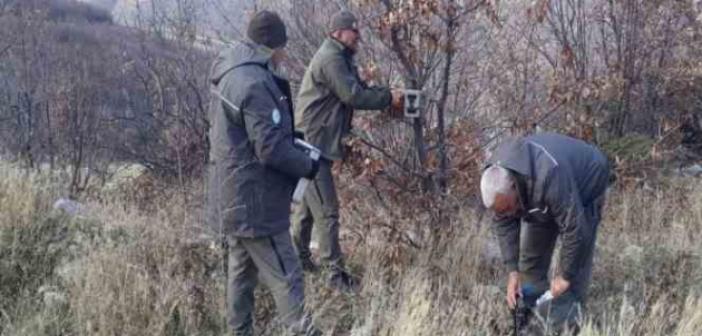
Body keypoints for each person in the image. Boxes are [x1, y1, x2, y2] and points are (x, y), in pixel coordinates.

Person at [206, 10, 320, 336]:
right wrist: (307, 164)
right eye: (283, 46)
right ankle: (303, 331)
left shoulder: (231, 71)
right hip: (256, 203)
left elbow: (246, 135)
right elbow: (269, 148)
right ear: (272, 46)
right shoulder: (254, 82)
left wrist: (288, 138)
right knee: (287, 274)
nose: (285, 53)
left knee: (240, 276)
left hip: (233, 196)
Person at [291, 10, 403, 291]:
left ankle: (298, 262)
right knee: (327, 211)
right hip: (312, 145)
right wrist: (390, 98)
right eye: (354, 32)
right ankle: (335, 276)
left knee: (307, 207)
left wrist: (386, 94)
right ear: (338, 33)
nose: (358, 36)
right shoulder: (331, 58)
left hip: (314, 142)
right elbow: (353, 95)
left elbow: (360, 88)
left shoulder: (340, 57)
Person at [480, 132, 610, 333]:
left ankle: (568, 322)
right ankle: (531, 316)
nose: (507, 214)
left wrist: (564, 276)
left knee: (572, 275)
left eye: (508, 208)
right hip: (541, 198)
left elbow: (575, 229)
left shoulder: (548, 174)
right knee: (529, 265)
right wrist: (513, 271)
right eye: (502, 211)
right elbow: (504, 223)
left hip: (587, 181)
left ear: (515, 186)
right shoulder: (499, 183)